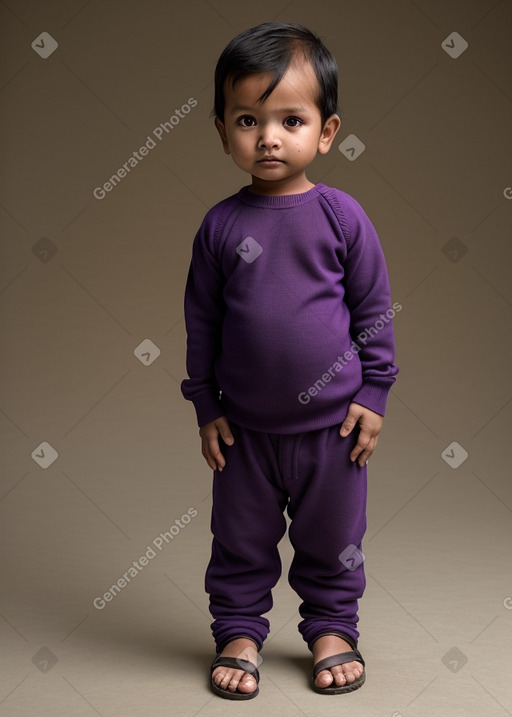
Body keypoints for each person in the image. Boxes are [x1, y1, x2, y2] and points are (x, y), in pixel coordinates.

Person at [181, 21, 399, 700]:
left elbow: (373, 311)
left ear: (326, 132)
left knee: (333, 538)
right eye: (248, 119)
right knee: (238, 539)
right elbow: (203, 321)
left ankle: (333, 628)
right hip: (245, 432)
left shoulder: (342, 218)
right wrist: (206, 403)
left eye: (290, 119)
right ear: (223, 130)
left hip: (332, 431)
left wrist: (376, 393)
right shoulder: (220, 226)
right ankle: (239, 631)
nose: (268, 136)